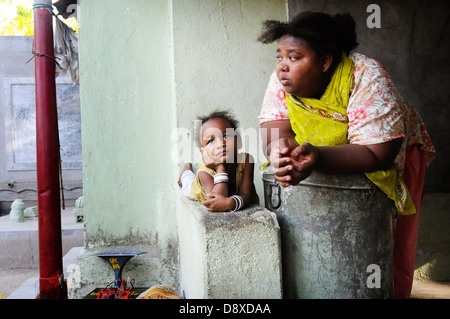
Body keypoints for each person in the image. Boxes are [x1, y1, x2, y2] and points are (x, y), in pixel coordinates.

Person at [257, 11, 435, 298]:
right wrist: (281, 152)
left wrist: (319, 157)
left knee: (392, 239)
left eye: (293, 57)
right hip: (324, 157)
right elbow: (275, 129)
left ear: (325, 61)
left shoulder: (366, 76)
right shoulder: (282, 81)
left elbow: (379, 154)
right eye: (279, 57)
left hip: (394, 153)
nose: (282, 68)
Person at [178, 110, 259, 212]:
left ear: (238, 141)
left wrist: (231, 203)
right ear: (203, 152)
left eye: (225, 136)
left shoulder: (246, 161)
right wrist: (220, 168)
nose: (220, 144)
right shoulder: (204, 173)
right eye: (211, 141)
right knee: (187, 181)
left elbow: (246, 195)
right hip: (194, 188)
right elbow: (216, 201)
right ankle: (186, 169)